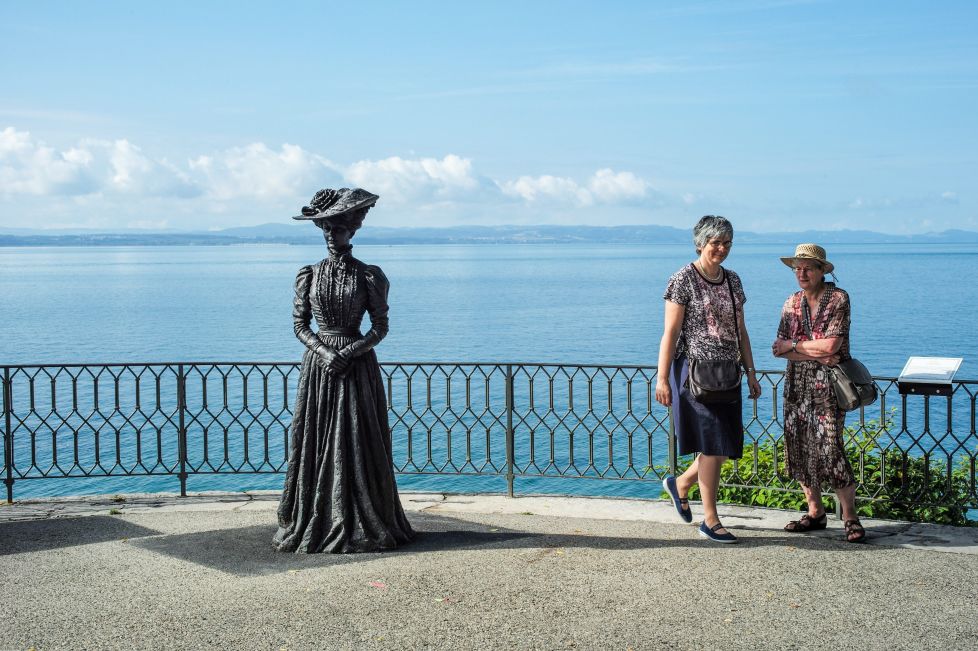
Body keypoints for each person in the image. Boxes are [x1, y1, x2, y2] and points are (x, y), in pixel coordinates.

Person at [273, 187, 415, 553]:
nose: (331, 236)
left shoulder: (369, 275)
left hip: (355, 367)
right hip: (321, 367)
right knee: (316, 438)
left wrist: (349, 351)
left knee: (357, 439)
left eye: (337, 230)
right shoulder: (309, 274)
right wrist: (322, 350)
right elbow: (299, 325)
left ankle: (361, 515)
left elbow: (380, 328)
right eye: (326, 230)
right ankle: (315, 515)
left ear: (352, 231)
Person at [657, 216, 762, 544]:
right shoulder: (682, 278)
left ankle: (681, 484)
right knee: (712, 446)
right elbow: (670, 332)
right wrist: (662, 378)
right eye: (715, 242)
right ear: (700, 243)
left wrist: (751, 372)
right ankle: (711, 520)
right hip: (694, 374)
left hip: (728, 374)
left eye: (727, 243)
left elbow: (740, 331)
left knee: (724, 445)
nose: (721, 249)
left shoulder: (733, 281)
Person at [771, 244, 865, 543]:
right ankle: (816, 513)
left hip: (829, 389)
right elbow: (778, 349)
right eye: (797, 268)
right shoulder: (790, 302)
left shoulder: (838, 298)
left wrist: (796, 347)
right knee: (797, 447)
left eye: (808, 267)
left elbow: (832, 348)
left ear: (822, 270)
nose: (801, 273)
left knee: (831, 448)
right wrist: (807, 350)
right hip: (796, 387)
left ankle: (850, 516)